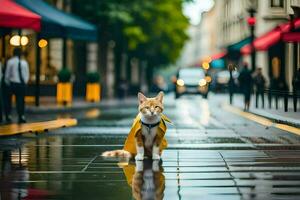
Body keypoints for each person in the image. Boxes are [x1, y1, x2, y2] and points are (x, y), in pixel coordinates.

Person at [5, 48, 29, 123]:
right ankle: (21, 115)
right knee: (20, 101)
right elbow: (27, 74)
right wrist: (24, 82)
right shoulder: (24, 62)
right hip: (19, 84)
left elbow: (7, 75)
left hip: (13, 83)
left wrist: (8, 83)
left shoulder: (11, 62)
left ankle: (10, 115)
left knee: (10, 101)